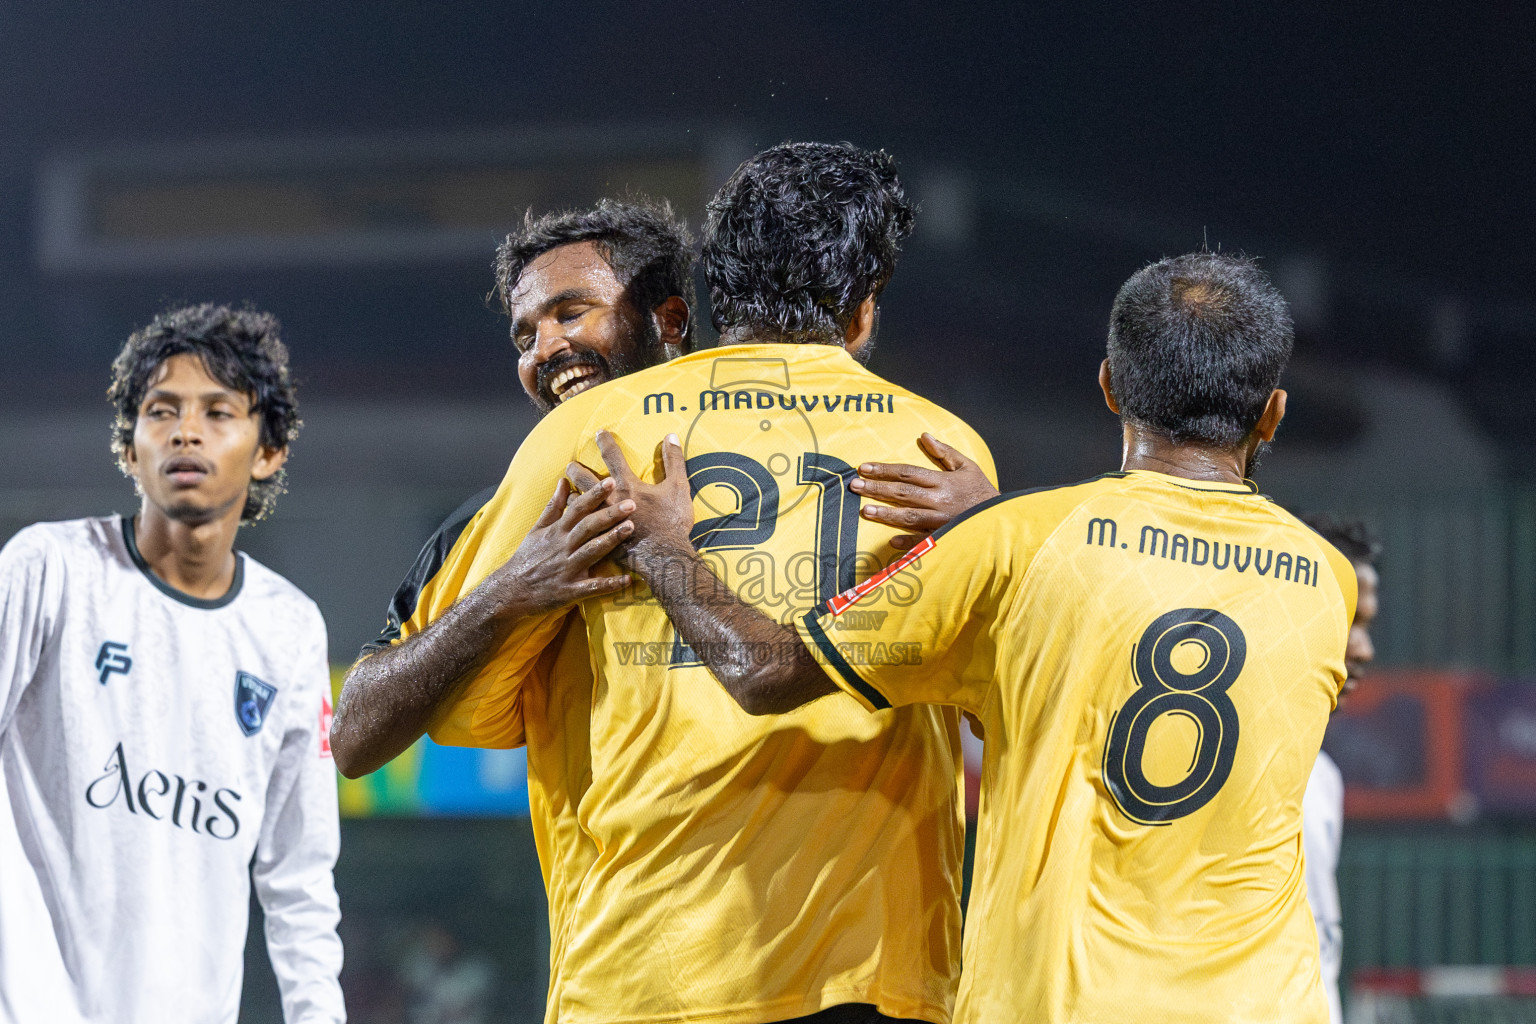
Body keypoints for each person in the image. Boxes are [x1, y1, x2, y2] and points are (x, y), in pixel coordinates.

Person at [599, 251, 1359, 1023]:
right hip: (1267, 1004)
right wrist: (990, 521)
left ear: (1108, 386)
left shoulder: (1017, 547)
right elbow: (1145, 599)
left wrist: (662, 545)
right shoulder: (1329, 581)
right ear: (1273, 412)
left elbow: (762, 671)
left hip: (1059, 1003)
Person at [381, 142, 997, 1024]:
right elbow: (999, 713)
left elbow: (469, 714)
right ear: (862, 312)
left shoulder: (591, 434)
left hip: (644, 968)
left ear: (715, 289)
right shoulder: (944, 451)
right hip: (879, 972)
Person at [0, 305, 343, 1024]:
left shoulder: (288, 627)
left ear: (269, 450)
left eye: (219, 412)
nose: (186, 431)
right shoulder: (47, 569)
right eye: (162, 411)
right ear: (130, 448)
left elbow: (299, 875)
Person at [1300, 515, 1380, 1024]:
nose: (1365, 650)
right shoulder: (1229, 761)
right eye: (1350, 619)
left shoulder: (1323, 777)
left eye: (1369, 625)